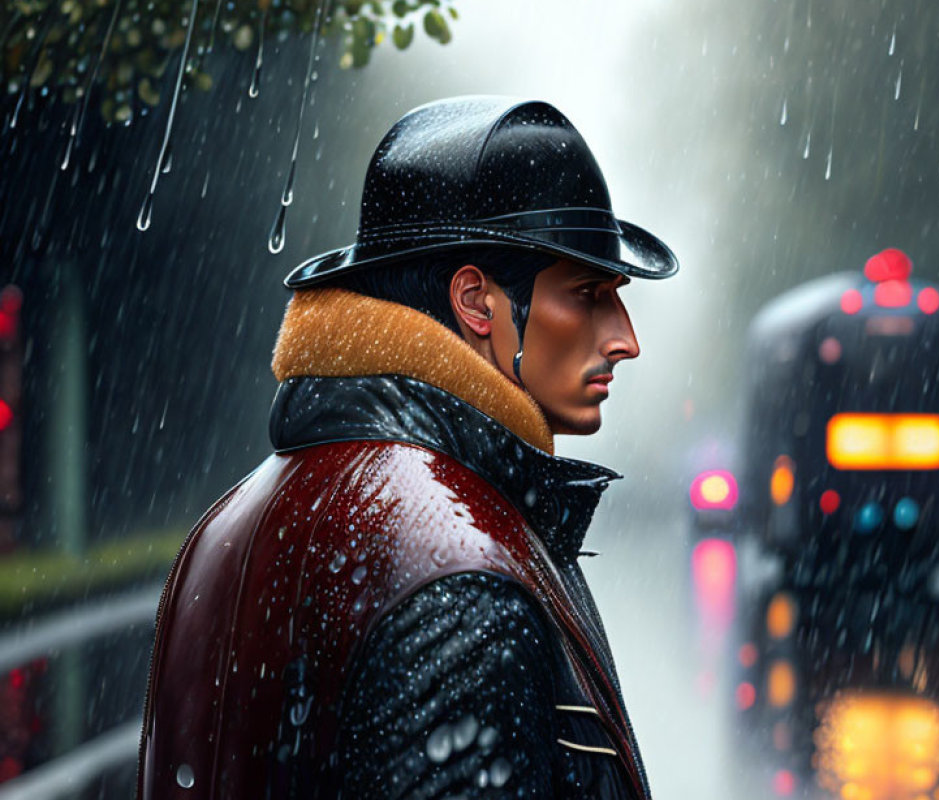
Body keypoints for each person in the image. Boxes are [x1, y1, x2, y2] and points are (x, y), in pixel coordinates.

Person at [137, 96, 677, 799]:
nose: (625, 339)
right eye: (587, 293)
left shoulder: (224, 527)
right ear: (477, 303)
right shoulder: (465, 571)